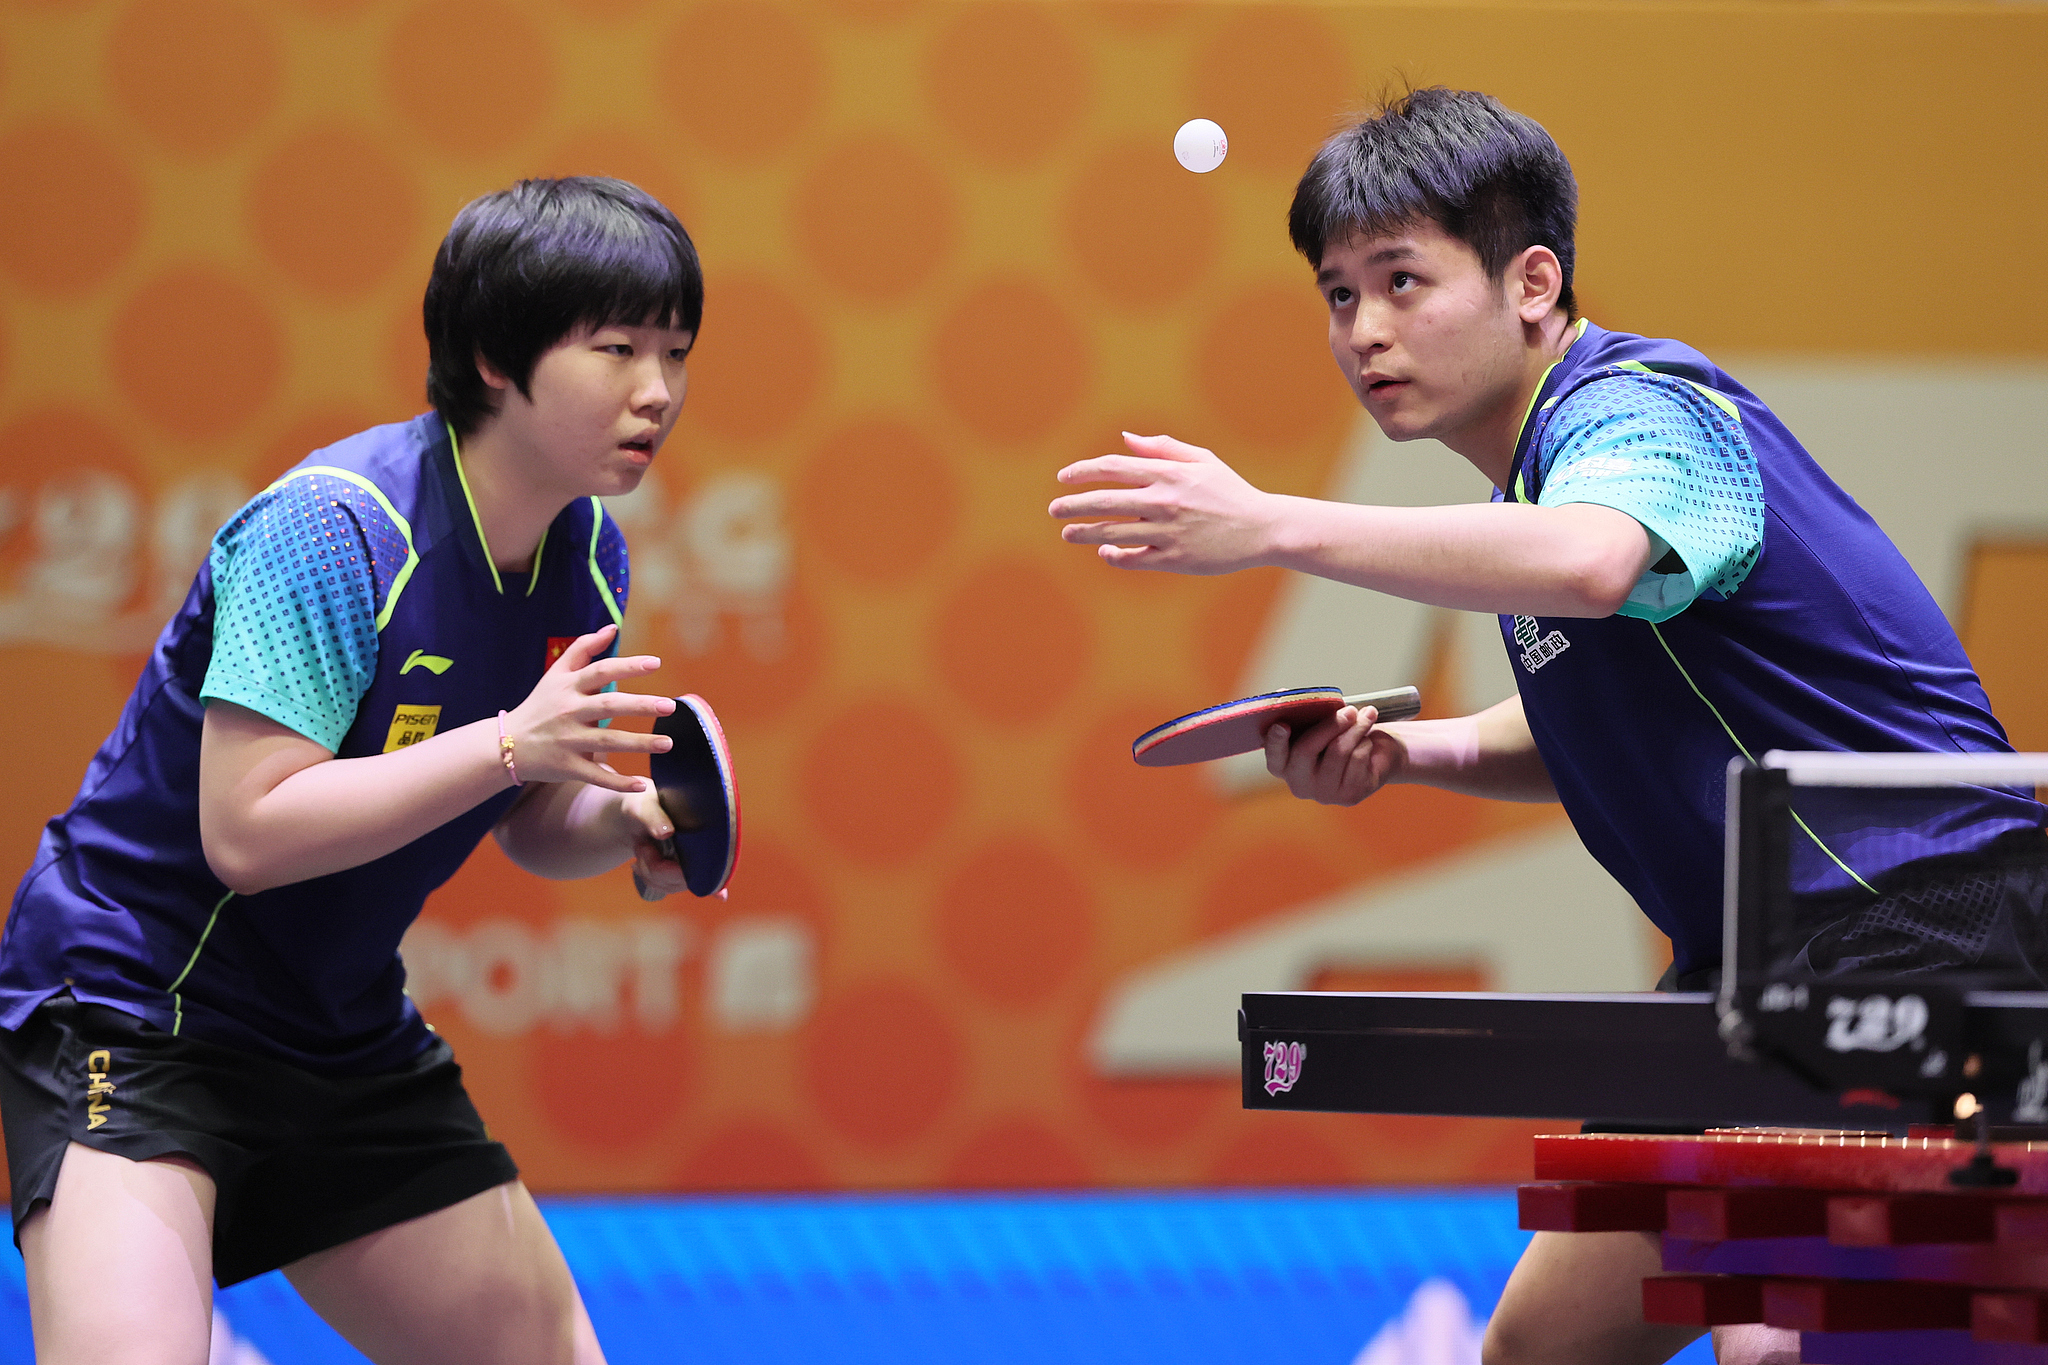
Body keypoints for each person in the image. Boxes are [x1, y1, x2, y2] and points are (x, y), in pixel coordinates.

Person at [1050, 87, 2048, 1365]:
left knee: (1777, 1348)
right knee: (1540, 1345)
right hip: (1753, 963)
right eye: (1339, 295)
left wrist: (1269, 526)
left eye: (1402, 280)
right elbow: (1590, 714)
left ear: (1531, 282)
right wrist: (1411, 752)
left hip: (1925, 924)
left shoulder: (1640, 413)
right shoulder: (1535, 485)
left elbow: (1588, 564)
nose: (1364, 330)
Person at [0, 175, 701, 1364]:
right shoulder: (336, 529)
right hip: (136, 1001)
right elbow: (247, 831)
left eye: (677, 353)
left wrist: (620, 819)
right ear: (494, 356)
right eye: (617, 349)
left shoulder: (588, 557)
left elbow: (525, 812)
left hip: (336, 1028)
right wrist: (506, 743)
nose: (658, 393)